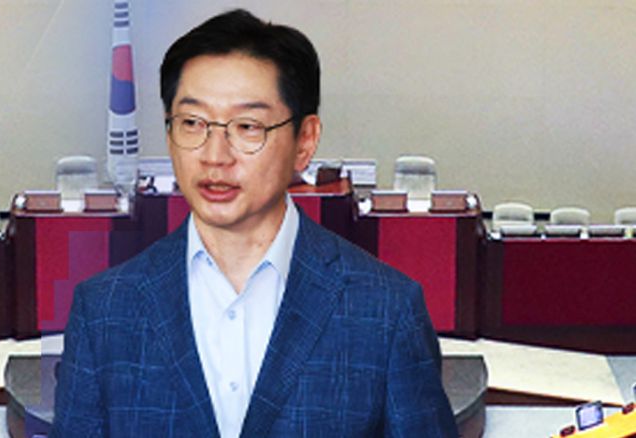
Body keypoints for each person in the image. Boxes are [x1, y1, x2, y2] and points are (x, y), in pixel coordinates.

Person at [52, 9, 458, 437]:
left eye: (247, 127)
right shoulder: (104, 310)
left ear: (305, 141)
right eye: (192, 123)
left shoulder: (386, 309)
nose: (215, 156)